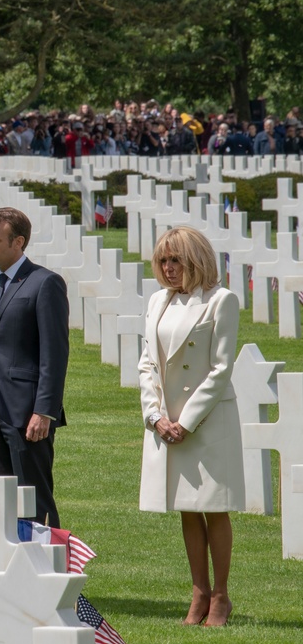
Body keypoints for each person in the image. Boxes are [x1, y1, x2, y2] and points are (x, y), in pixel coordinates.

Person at [137, 226, 244, 628]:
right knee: (186, 507)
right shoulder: (157, 301)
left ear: (196, 260)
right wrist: (155, 416)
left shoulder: (221, 301)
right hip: (166, 421)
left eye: (176, 260)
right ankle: (198, 591)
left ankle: (220, 596)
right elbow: (147, 362)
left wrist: (186, 421)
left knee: (214, 507)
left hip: (208, 419)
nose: (168, 268)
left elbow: (221, 368)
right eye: (163, 260)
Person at [0, 207, 69, 529]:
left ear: (18, 242)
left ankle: (44, 565)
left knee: (34, 496)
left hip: (26, 412)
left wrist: (44, 411)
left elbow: (54, 353)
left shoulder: (44, 283)